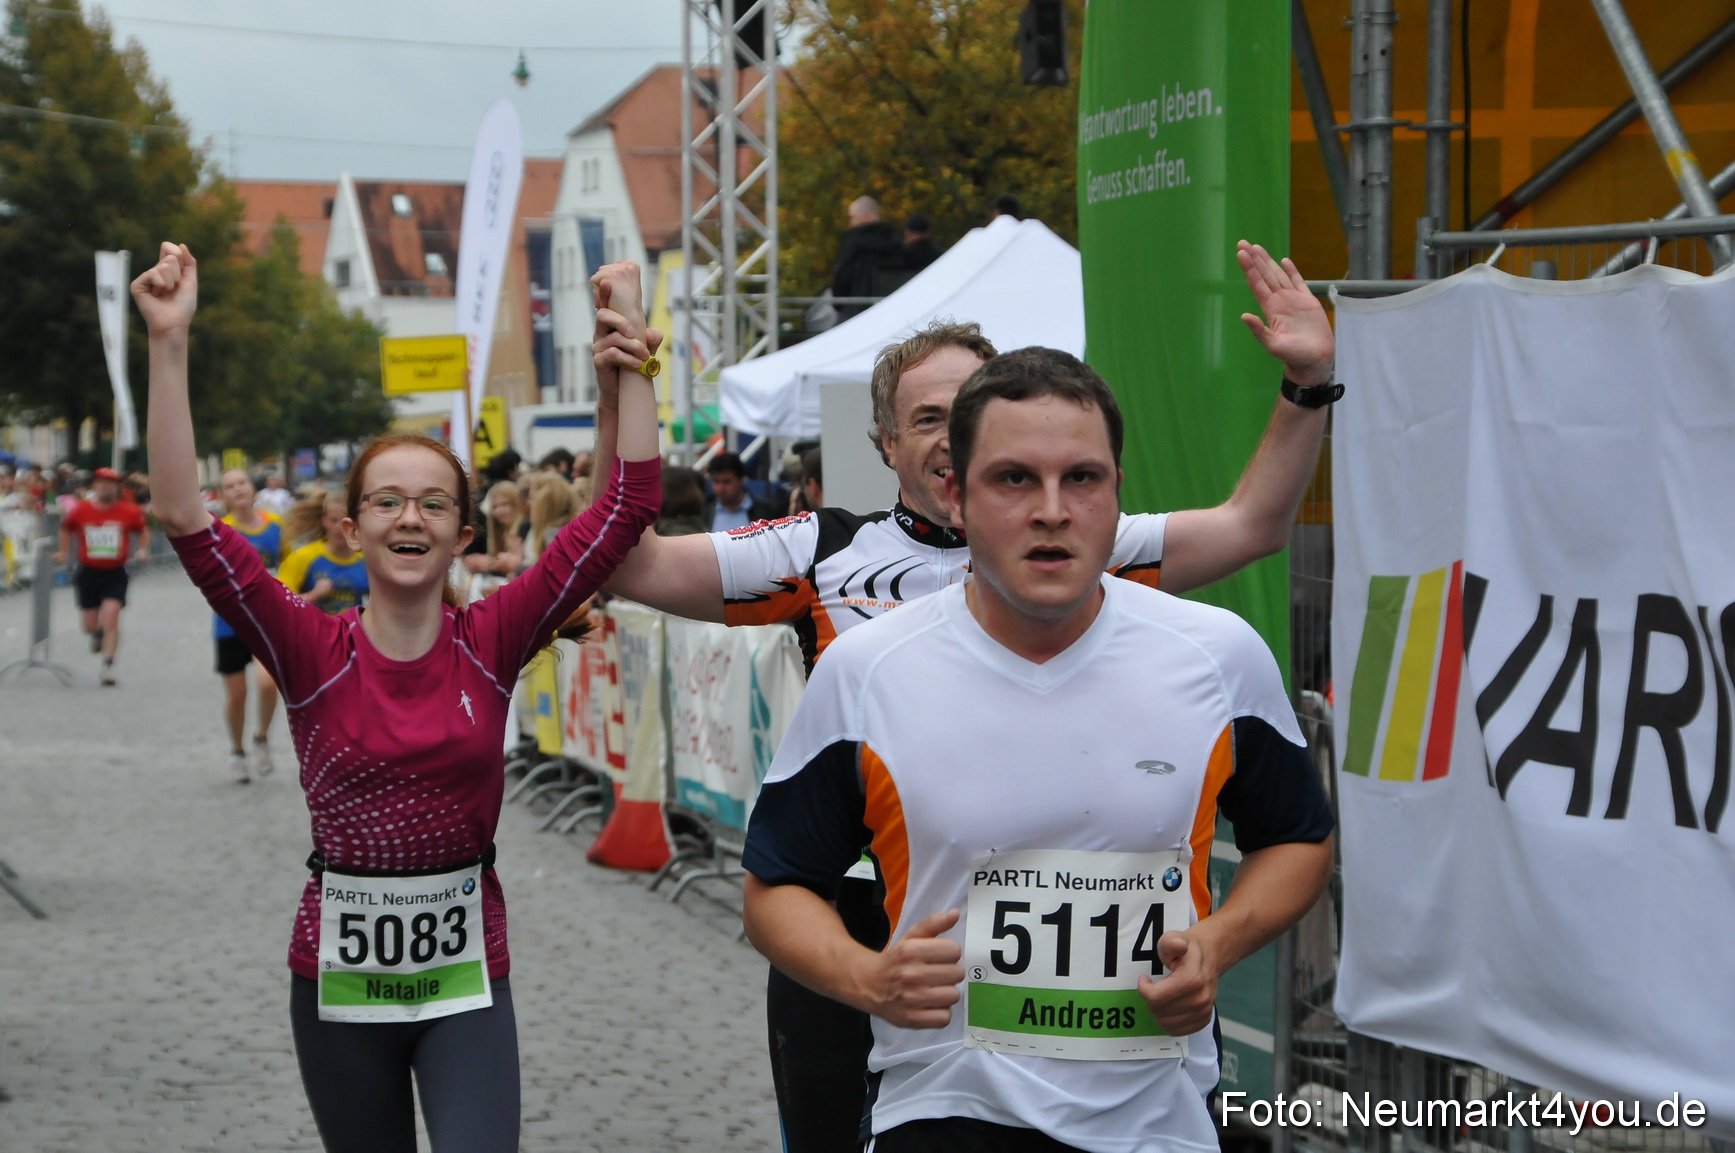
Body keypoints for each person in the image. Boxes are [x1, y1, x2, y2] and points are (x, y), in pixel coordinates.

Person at [589, 240, 1337, 1153]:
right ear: (885, 442)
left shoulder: (1077, 536)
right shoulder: (825, 551)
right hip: (860, 904)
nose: (950, 438)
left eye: (968, 411)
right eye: (927, 417)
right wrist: (627, 383)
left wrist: (1306, 386)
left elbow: (1251, 523)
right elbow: (630, 562)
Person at [135, 239, 662, 1153]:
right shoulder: (308, 647)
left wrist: (633, 353)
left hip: (465, 981)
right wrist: (168, 340)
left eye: (432, 504)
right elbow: (185, 514)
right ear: (350, 529)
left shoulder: (493, 639)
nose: (409, 517)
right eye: (386, 501)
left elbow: (624, 509)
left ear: (463, 532)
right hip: (337, 980)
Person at [741, 347, 1335, 1151]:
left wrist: (1215, 944)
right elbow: (775, 885)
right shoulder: (867, 669)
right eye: (1014, 478)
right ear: (957, 496)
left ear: (1117, 490)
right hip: (942, 1110)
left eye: (1081, 478)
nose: (1051, 510)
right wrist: (867, 976)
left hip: (1160, 1119)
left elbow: (1297, 838)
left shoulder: (1215, 655)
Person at [212, 467, 286, 783]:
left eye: (241, 482)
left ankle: (261, 737)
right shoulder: (220, 530)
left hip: (267, 619)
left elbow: (289, 567)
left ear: (252, 488)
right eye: (230, 486)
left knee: (268, 684)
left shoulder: (276, 526)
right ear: (223, 495)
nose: (237, 489)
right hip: (230, 621)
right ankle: (237, 750)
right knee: (237, 695)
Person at [56, 466, 149, 686]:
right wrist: (63, 551)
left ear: (117, 487)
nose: (106, 487)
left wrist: (142, 549)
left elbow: (143, 530)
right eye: (102, 482)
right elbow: (66, 528)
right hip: (88, 572)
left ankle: (108, 666)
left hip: (115, 572)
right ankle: (97, 633)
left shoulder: (129, 511)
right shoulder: (81, 510)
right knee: (89, 625)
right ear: (94, 485)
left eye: (111, 483)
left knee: (111, 616)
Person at [277, 493, 369, 616]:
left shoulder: (367, 560)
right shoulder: (302, 557)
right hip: (312, 627)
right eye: (334, 520)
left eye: (345, 521)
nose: (339, 527)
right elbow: (279, 603)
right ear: (324, 521)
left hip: (351, 627)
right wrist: (313, 595)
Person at [831, 196, 904, 321]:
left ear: (865, 215)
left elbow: (843, 275)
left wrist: (838, 302)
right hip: (893, 310)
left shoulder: (853, 242)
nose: (851, 223)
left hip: (855, 311)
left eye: (852, 217)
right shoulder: (894, 242)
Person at [703, 451, 778, 532]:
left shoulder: (765, 511)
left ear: (741, 480)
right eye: (716, 481)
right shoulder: (705, 511)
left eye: (726, 482)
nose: (720, 488)